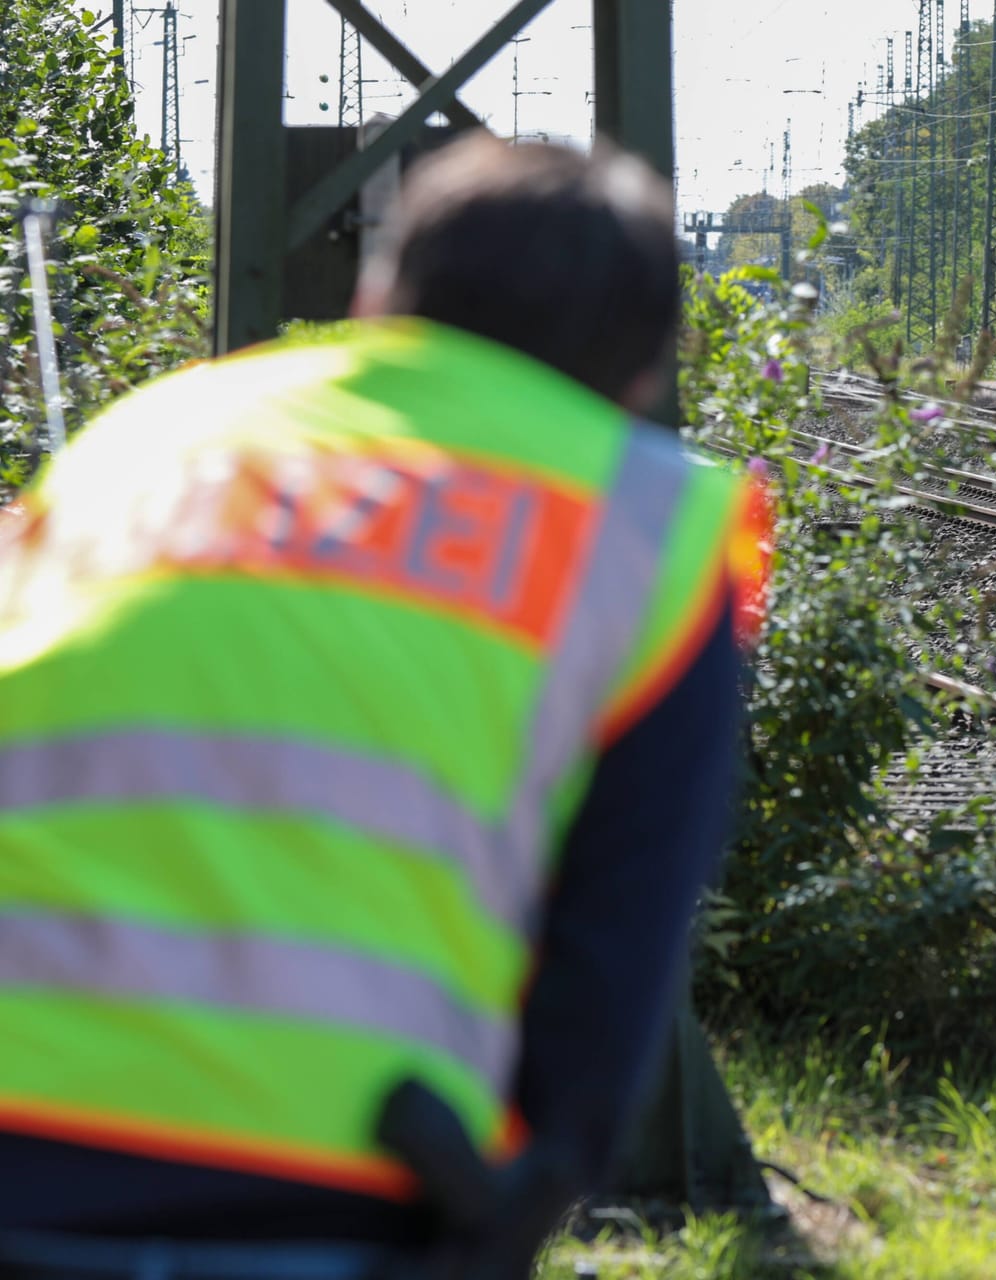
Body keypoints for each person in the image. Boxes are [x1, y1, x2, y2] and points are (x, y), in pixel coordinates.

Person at [0, 135, 765, 1274]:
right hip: (323, 1178)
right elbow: (616, 948)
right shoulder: (646, 527)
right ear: (650, 366)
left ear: (376, 296)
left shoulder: (147, 439)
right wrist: (534, 1182)